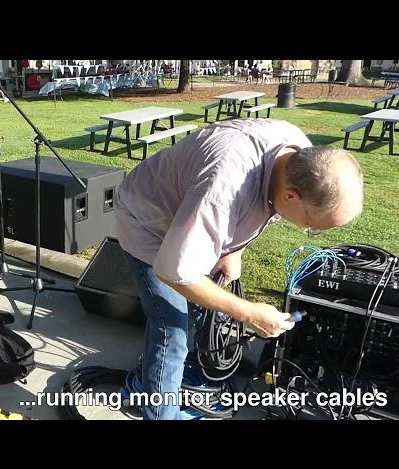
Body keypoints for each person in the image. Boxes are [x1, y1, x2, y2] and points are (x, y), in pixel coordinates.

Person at [114, 118, 364, 420]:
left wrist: (235, 250)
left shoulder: (299, 156)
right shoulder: (224, 189)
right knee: (172, 327)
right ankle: (160, 412)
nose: (308, 231)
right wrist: (247, 312)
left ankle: (174, 374)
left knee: (198, 309)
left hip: (187, 213)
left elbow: (267, 205)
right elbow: (174, 271)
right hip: (146, 221)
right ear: (292, 196)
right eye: (312, 227)